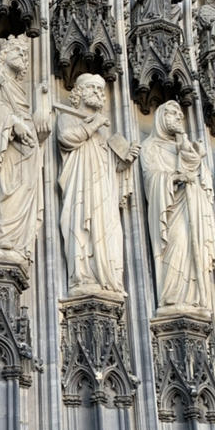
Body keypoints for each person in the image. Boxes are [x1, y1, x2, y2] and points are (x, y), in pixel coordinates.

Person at [57, 74, 139, 294]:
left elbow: (108, 163)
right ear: (79, 93)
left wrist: (124, 160)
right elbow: (66, 138)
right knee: (83, 228)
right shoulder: (68, 116)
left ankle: (107, 278)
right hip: (81, 188)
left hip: (104, 191)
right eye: (91, 88)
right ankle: (83, 276)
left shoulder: (103, 129)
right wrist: (93, 125)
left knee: (109, 232)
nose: (97, 92)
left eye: (100, 89)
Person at [140, 101, 215, 311]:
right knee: (178, 242)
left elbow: (197, 171)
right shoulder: (150, 146)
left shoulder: (184, 146)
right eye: (172, 113)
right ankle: (173, 297)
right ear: (161, 117)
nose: (178, 117)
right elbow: (150, 178)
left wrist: (186, 144)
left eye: (180, 115)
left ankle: (192, 299)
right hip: (171, 209)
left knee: (192, 249)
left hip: (191, 206)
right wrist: (174, 178)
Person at [0, 34, 50, 260]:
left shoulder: (19, 88)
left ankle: (18, 244)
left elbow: (29, 123)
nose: (23, 56)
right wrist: (13, 123)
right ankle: (1, 238)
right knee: (5, 193)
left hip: (28, 156)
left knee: (23, 196)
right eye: (18, 51)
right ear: (4, 53)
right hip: (8, 150)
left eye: (25, 53)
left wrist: (39, 133)